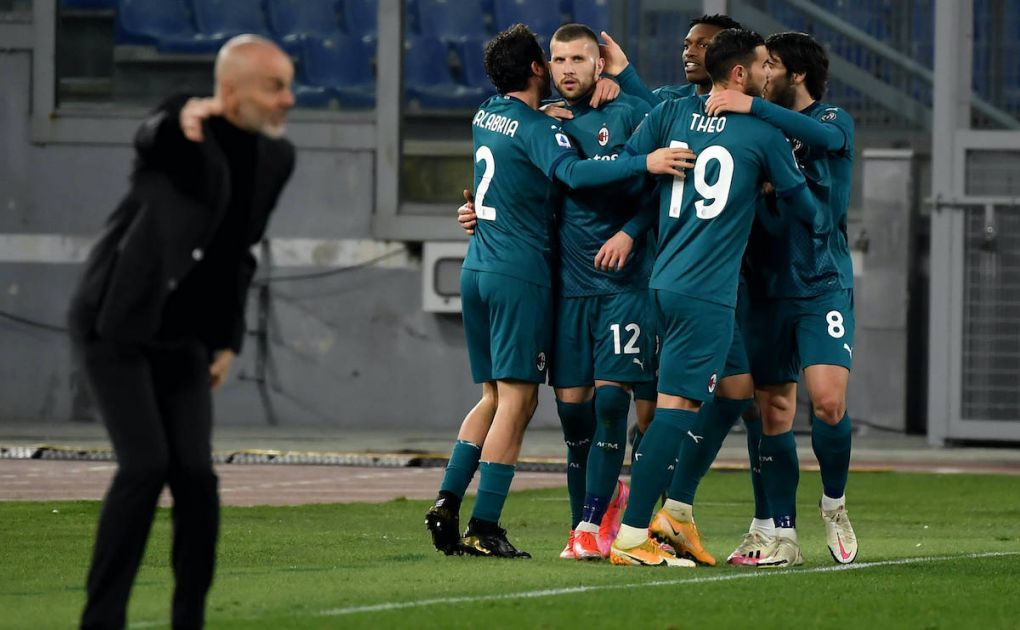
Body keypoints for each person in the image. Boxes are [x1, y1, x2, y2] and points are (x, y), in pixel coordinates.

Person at [424, 23, 693, 559]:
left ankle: (453, 503)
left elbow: (664, 125)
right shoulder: (541, 126)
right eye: (557, 59)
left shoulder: (489, 114)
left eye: (578, 59)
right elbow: (570, 172)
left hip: (504, 269)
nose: (566, 69)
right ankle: (492, 524)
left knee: (545, 400)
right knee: (528, 405)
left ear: (598, 64)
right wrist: (641, 159)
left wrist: (626, 84)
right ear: (539, 68)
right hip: (529, 277)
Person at [68, 35, 296, 628]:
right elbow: (154, 132)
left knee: (195, 475)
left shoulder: (277, 158)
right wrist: (180, 116)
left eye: (289, 85)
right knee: (145, 466)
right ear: (230, 92)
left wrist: (227, 339)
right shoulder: (183, 126)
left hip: (188, 335)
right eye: (274, 87)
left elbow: (237, 253)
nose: (288, 100)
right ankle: (102, 618)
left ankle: (187, 617)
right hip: (117, 317)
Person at [610, 28, 820, 567]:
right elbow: (811, 214)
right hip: (706, 292)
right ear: (739, 75)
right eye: (761, 66)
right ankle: (634, 536)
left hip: (663, 279)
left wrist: (648, 168)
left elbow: (623, 171)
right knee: (676, 409)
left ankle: (676, 515)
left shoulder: (672, 116)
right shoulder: (763, 136)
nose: (768, 73)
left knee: (734, 387)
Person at [706, 31, 858, 567]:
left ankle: (834, 504)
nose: (758, 73)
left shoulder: (833, 118)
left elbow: (827, 142)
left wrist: (748, 105)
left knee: (829, 402)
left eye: (768, 65)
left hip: (821, 283)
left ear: (794, 74)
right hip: (765, 286)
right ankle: (784, 536)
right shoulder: (753, 125)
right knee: (771, 409)